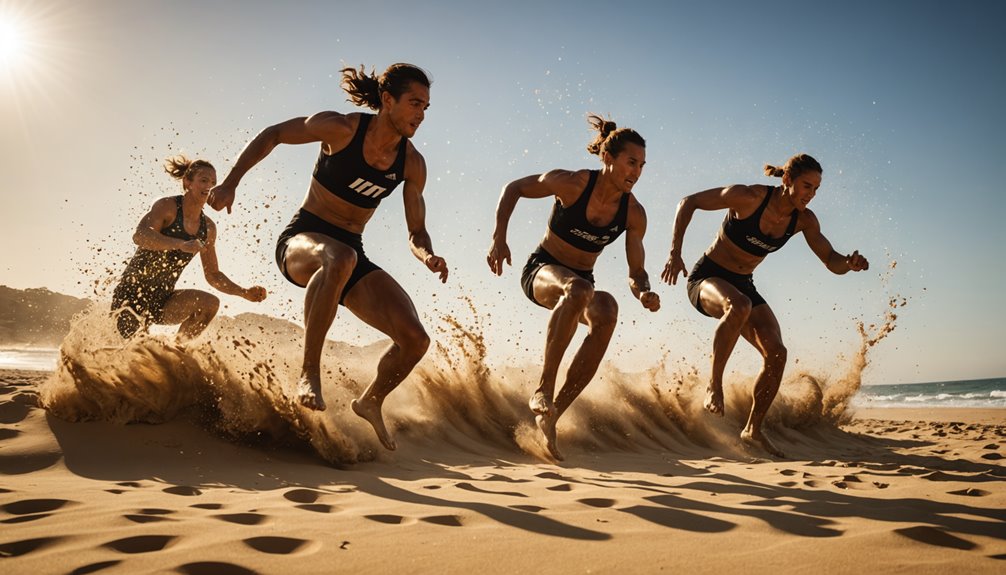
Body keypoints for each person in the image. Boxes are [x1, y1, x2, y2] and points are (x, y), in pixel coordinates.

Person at [208, 63, 448, 451]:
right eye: (414, 103)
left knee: (415, 339)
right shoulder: (342, 129)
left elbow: (416, 230)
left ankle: (371, 401)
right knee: (339, 257)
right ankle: (309, 372)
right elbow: (274, 134)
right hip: (303, 241)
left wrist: (427, 255)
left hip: (351, 252)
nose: (421, 114)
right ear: (388, 100)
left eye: (426, 107)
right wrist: (231, 182)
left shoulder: (411, 163)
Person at [660, 153, 869, 457]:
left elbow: (829, 259)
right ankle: (714, 385)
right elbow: (688, 202)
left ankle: (753, 430)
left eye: (816, 189)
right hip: (707, 277)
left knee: (777, 353)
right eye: (806, 186)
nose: (811, 195)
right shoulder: (749, 198)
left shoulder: (804, 220)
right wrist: (674, 253)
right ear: (787, 180)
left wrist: (848, 264)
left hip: (743, 284)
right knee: (738, 305)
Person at [487, 115, 661, 461]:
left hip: (581, 283)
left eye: (642, 165)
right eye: (631, 162)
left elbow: (636, 271)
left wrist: (643, 291)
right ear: (608, 158)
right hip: (542, 271)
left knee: (607, 309)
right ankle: (543, 389)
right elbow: (514, 188)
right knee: (579, 289)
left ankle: (552, 415)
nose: (637, 172)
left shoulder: (633, 213)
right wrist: (499, 238)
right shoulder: (573, 184)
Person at [111, 156, 267, 341]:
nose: (209, 186)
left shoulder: (208, 228)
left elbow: (213, 275)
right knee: (138, 349)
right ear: (188, 182)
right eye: (203, 180)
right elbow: (140, 236)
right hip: (130, 295)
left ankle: (177, 350)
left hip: (163, 300)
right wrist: (179, 244)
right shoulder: (167, 206)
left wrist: (243, 292)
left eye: (213, 183)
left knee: (209, 303)